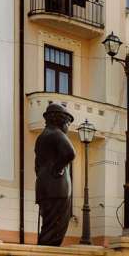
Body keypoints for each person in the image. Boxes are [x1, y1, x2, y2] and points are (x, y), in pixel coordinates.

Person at [35, 103, 76, 246]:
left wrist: (45, 175)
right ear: (60, 121)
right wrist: (58, 169)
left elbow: (37, 165)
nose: (68, 128)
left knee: (48, 225)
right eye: (68, 123)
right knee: (56, 227)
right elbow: (70, 153)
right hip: (57, 186)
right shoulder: (56, 134)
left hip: (44, 185)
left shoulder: (41, 138)